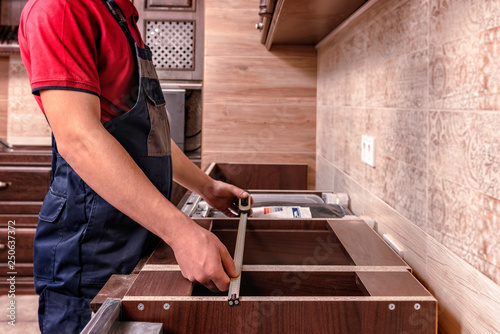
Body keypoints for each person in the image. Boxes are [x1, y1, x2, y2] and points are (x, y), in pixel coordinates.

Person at [19, 0, 245, 332]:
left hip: (135, 233)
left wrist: (206, 187)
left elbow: (151, 135)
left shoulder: (122, 16)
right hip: (90, 249)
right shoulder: (63, 7)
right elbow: (78, 137)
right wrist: (180, 231)